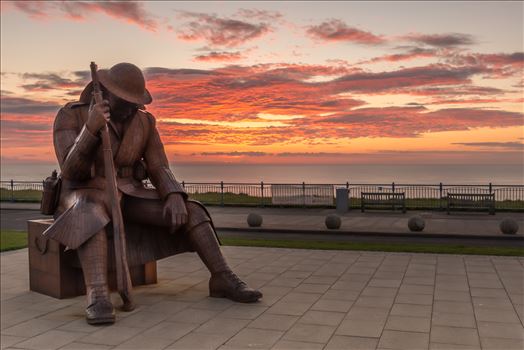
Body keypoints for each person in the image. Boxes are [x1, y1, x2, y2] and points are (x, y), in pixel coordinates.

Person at [45, 62, 262, 325]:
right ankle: (98, 293)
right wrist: (90, 129)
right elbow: (70, 170)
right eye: (126, 101)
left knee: (192, 210)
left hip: (129, 194)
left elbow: (158, 165)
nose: (133, 108)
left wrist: (173, 194)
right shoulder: (72, 116)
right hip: (84, 193)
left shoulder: (144, 122)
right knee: (90, 212)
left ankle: (223, 277)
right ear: (106, 92)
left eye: (136, 103)